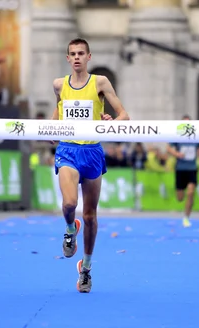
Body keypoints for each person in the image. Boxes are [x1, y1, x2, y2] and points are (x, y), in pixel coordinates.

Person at [51, 38, 130, 293]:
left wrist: (109, 121)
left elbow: (124, 116)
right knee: (70, 204)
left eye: (81, 53)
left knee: (90, 216)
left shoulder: (100, 82)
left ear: (88, 57)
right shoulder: (59, 85)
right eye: (72, 53)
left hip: (92, 152)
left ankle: (85, 268)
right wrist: (52, 129)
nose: (76, 57)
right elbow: (57, 115)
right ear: (67, 58)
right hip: (68, 151)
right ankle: (68, 228)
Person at [166, 115, 199, 227]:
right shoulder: (177, 136)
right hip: (180, 169)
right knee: (180, 198)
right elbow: (168, 148)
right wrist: (177, 154)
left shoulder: (196, 137)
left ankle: (186, 217)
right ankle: (181, 197)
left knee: (191, 192)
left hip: (192, 168)